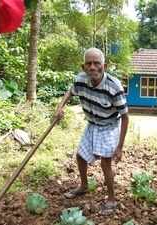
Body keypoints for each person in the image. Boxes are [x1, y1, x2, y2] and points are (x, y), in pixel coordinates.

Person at [52, 47, 129, 215]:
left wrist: (120, 147)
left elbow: (125, 117)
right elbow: (70, 92)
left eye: (97, 63)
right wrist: (60, 107)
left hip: (109, 125)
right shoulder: (80, 80)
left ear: (105, 66)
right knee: (80, 156)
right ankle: (84, 185)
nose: (93, 67)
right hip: (92, 123)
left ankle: (111, 198)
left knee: (105, 162)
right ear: (83, 67)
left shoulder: (114, 87)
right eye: (89, 64)